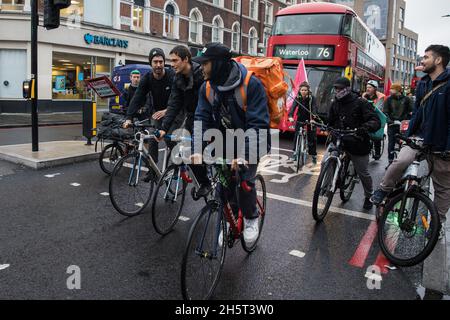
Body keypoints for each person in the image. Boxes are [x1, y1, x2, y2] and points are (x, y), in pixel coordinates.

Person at [192, 42, 270, 247]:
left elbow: (257, 124)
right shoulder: (206, 87)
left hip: (251, 139)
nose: (201, 67)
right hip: (224, 140)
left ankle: (252, 217)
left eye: (205, 63)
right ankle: (230, 219)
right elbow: (201, 118)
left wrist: (244, 154)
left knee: (245, 182)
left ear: (217, 64)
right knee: (224, 185)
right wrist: (197, 149)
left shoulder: (251, 84)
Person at [371, 45, 450, 239]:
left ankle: (436, 224)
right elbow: (417, 113)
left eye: (426, 57)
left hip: (441, 145)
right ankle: (383, 190)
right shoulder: (423, 83)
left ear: (438, 60)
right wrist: (407, 135)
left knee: (442, 188)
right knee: (400, 162)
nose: (422, 61)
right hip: (419, 138)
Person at [155, 45, 210, 197]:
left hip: (208, 117)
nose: (172, 64)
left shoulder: (201, 74)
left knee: (199, 149)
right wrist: (164, 128)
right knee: (187, 150)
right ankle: (201, 177)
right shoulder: (177, 78)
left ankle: (207, 182)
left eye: (175, 60)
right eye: (170, 61)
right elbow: (174, 104)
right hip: (193, 116)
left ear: (186, 59)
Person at [326, 77, 381, 210]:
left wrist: (364, 128)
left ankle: (369, 195)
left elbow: (375, 121)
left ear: (347, 89)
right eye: (336, 88)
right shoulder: (335, 103)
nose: (337, 91)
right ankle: (328, 184)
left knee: (363, 172)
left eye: (340, 88)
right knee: (327, 161)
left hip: (357, 142)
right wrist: (326, 125)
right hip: (340, 140)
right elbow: (330, 120)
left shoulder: (361, 103)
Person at [123, 48, 177, 164]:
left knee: (168, 137)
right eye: (155, 62)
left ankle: (178, 166)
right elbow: (137, 98)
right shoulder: (147, 79)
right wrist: (129, 117)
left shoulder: (172, 76)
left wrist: (166, 110)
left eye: (161, 62)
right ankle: (153, 168)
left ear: (164, 62)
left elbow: (178, 100)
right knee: (153, 137)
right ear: (150, 63)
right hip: (158, 112)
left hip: (174, 111)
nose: (158, 65)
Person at [288, 81, 318, 165]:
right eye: (302, 90)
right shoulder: (297, 97)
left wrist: (313, 117)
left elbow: (314, 108)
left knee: (312, 137)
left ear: (308, 90)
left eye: (305, 90)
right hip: (300, 118)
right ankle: (294, 153)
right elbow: (293, 107)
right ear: (300, 91)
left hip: (310, 119)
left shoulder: (312, 98)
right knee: (297, 135)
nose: (304, 92)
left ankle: (313, 155)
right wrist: (290, 116)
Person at [383, 82, 413, 164]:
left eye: (392, 89)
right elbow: (385, 112)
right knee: (391, 143)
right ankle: (390, 161)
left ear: (397, 90)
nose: (390, 90)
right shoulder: (388, 99)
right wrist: (390, 121)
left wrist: (407, 121)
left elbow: (412, 111)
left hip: (403, 125)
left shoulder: (407, 99)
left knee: (404, 143)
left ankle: (402, 161)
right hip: (392, 125)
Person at [362, 80, 386, 160]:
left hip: (376, 116)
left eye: (370, 87)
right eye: (367, 87)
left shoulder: (381, 96)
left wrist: (367, 104)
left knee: (376, 135)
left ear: (375, 89)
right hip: (367, 116)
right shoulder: (364, 95)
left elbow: (378, 109)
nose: (367, 89)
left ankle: (377, 153)